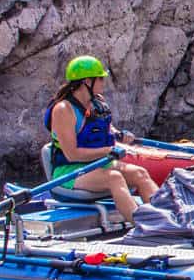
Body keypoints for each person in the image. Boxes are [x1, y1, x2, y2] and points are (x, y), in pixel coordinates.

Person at [43, 56, 158, 220]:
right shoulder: (63, 110)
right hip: (71, 172)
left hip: (100, 163)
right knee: (114, 178)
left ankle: (164, 221)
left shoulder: (98, 103)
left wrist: (119, 135)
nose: (104, 82)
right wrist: (109, 151)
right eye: (101, 79)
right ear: (87, 81)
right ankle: (144, 226)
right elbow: (72, 154)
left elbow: (106, 128)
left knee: (140, 173)